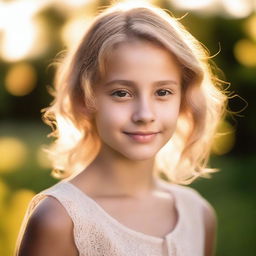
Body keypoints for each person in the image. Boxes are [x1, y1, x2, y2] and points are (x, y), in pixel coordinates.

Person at [15, 1, 227, 255]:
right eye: (122, 93)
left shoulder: (198, 214)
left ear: (183, 99)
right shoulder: (59, 219)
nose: (144, 114)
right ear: (85, 100)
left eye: (162, 92)